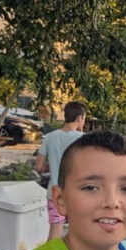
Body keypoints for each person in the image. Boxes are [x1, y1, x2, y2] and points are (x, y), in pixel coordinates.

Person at [35, 101, 87, 239]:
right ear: (79, 118)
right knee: (80, 232)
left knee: (55, 232)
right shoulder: (84, 139)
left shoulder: (50, 137)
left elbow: (38, 166)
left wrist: (52, 165)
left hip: (55, 192)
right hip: (78, 193)